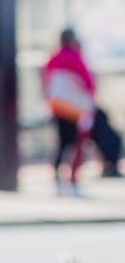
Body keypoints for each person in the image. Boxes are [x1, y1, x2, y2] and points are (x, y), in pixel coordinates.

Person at [42, 27, 99, 196]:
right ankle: (73, 181)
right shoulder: (76, 58)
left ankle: (57, 181)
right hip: (75, 111)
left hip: (57, 109)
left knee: (60, 144)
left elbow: (46, 84)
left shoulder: (52, 58)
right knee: (76, 146)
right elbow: (89, 84)